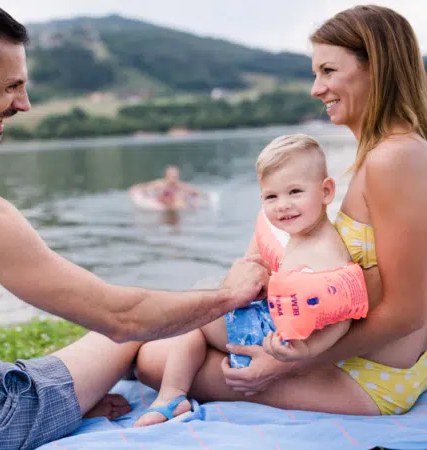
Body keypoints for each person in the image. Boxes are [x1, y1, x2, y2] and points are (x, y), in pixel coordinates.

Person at [0, 0, 270, 448]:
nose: (24, 103)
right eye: (10, 87)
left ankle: (72, 401)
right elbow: (121, 317)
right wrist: (229, 296)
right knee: (119, 343)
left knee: (34, 367)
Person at [136, 4, 427, 417]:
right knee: (166, 336)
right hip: (357, 353)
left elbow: (408, 313)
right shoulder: (392, 153)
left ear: (374, 68)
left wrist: (278, 367)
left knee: (152, 359)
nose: (316, 89)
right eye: (315, 74)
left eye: (328, 71)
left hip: (368, 375)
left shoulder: (395, 159)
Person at [134, 134, 357, 426]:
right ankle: (168, 389)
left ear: (326, 191)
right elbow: (246, 272)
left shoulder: (327, 252)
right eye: (271, 196)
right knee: (202, 301)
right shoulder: (292, 233)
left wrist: (306, 351)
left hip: (278, 342)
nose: (282, 205)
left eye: (295, 192)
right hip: (271, 326)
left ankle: (171, 397)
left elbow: (343, 316)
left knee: (198, 314)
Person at [129, 165, 207, 210]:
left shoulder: (179, 185)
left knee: (180, 197)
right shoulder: (160, 183)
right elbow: (146, 186)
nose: (174, 178)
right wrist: (135, 188)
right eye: (172, 176)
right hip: (163, 202)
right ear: (167, 175)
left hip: (176, 204)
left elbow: (193, 190)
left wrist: (203, 195)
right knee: (173, 197)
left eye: (176, 176)